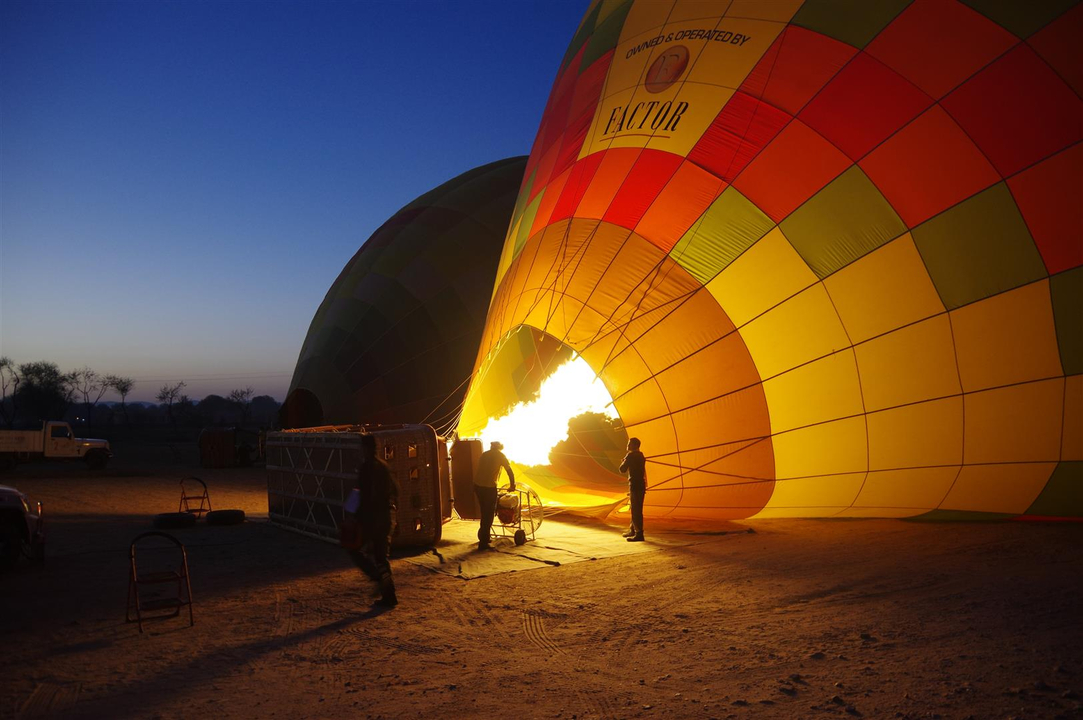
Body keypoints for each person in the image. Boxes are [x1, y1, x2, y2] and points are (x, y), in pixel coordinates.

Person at [350, 434, 399, 607]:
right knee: (381, 557)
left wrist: (351, 513)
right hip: (386, 517)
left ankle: (377, 577)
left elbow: (361, 494)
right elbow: (396, 490)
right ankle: (389, 595)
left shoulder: (366, 468)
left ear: (365, 448)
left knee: (353, 548)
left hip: (372, 518)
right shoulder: (384, 466)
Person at [474, 441, 515, 550]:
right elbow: (509, 471)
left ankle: (485, 537)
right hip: (489, 487)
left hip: (478, 486)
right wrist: (512, 484)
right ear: (500, 448)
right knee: (489, 514)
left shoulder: (484, 454)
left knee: (484, 512)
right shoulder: (500, 455)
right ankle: (483, 543)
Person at [619, 437, 646, 542]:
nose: (628, 445)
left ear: (635, 445)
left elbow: (622, 469)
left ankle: (639, 534)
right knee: (636, 508)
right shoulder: (641, 455)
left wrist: (624, 461)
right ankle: (633, 529)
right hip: (641, 485)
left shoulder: (630, 455)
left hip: (634, 485)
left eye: (629, 443)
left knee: (636, 510)